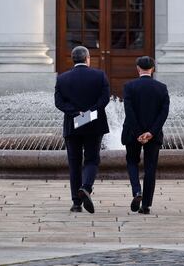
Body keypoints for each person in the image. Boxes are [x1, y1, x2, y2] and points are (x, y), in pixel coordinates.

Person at [54, 45, 110, 214]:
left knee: (74, 163)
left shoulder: (62, 78)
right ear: (87, 59)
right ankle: (86, 187)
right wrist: (89, 113)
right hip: (94, 124)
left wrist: (76, 114)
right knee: (92, 159)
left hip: (72, 124)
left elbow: (59, 103)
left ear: (73, 59)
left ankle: (76, 203)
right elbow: (105, 99)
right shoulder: (99, 75)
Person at [121, 56, 170, 215]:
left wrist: (138, 132)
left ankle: (137, 191)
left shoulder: (129, 86)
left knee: (132, 161)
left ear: (138, 68)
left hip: (132, 133)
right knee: (150, 168)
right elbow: (164, 113)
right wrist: (151, 132)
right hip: (153, 135)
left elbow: (129, 112)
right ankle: (146, 205)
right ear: (153, 68)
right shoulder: (161, 87)